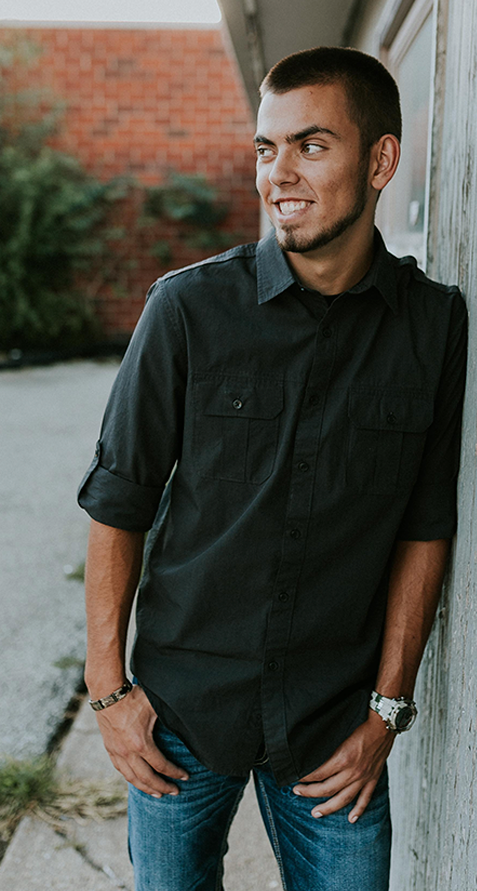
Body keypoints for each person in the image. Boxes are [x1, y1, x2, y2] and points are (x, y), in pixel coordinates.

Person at [78, 47, 466, 888]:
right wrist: (109, 696)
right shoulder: (186, 309)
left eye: (311, 145)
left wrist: (387, 712)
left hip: (335, 728)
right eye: (266, 147)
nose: (277, 173)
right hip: (179, 717)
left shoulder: (433, 327)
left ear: (381, 162)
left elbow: (426, 526)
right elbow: (120, 502)